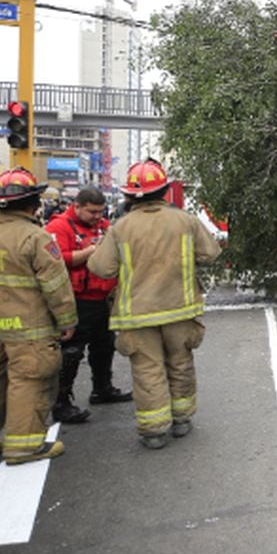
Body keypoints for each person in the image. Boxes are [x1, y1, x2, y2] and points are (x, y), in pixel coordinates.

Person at [87, 159, 221, 450]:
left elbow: (100, 267)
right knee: (181, 364)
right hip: (181, 310)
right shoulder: (185, 222)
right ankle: (182, 419)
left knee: (148, 370)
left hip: (137, 315)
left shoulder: (120, 228)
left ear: (128, 196)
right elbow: (211, 253)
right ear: (163, 190)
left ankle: (153, 431)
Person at [0, 167, 78, 466]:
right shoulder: (35, 237)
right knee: (29, 382)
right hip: (30, 329)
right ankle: (24, 446)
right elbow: (55, 285)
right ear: (32, 204)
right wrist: (67, 321)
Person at [47, 186, 131, 424]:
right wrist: (89, 252)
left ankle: (102, 388)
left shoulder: (104, 226)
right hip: (77, 299)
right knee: (72, 351)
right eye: (92, 212)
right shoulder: (58, 227)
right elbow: (54, 261)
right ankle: (62, 401)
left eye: (100, 212)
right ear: (77, 207)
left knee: (104, 346)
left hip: (103, 298)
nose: (97, 217)